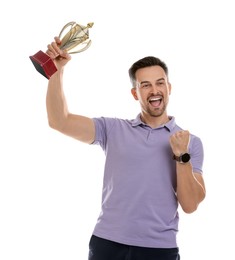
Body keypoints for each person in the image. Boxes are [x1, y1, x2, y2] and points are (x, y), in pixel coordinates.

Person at [46, 36, 206, 260]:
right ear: (135, 93)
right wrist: (56, 71)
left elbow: (190, 205)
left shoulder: (190, 143)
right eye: (145, 85)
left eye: (160, 83)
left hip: (158, 250)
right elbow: (59, 121)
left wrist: (182, 156)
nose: (154, 90)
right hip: (106, 244)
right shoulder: (112, 129)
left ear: (168, 88)